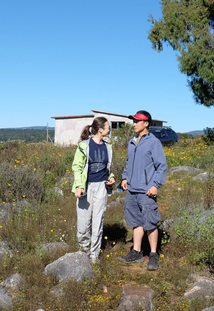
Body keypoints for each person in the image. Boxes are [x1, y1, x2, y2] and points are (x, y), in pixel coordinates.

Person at [118, 110, 167, 271]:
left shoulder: (153, 142)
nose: (134, 123)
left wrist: (155, 185)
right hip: (132, 189)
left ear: (146, 124)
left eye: (137, 121)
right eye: (134, 121)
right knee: (135, 221)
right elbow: (128, 163)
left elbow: (161, 166)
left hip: (146, 190)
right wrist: (125, 178)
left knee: (150, 221)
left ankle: (153, 254)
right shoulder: (132, 142)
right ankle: (136, 252)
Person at [71, 116, 115, 263]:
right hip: (86, 188)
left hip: (101, 187)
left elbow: (108, 169)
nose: (110, 129)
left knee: (98, 223)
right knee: (83, 224)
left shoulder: (108, 147)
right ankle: (84, 253)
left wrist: (111, 177)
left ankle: (94, 257)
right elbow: (77, 167)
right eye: (108, 127)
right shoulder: (84, 146)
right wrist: (79, 186)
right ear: (100, 130)